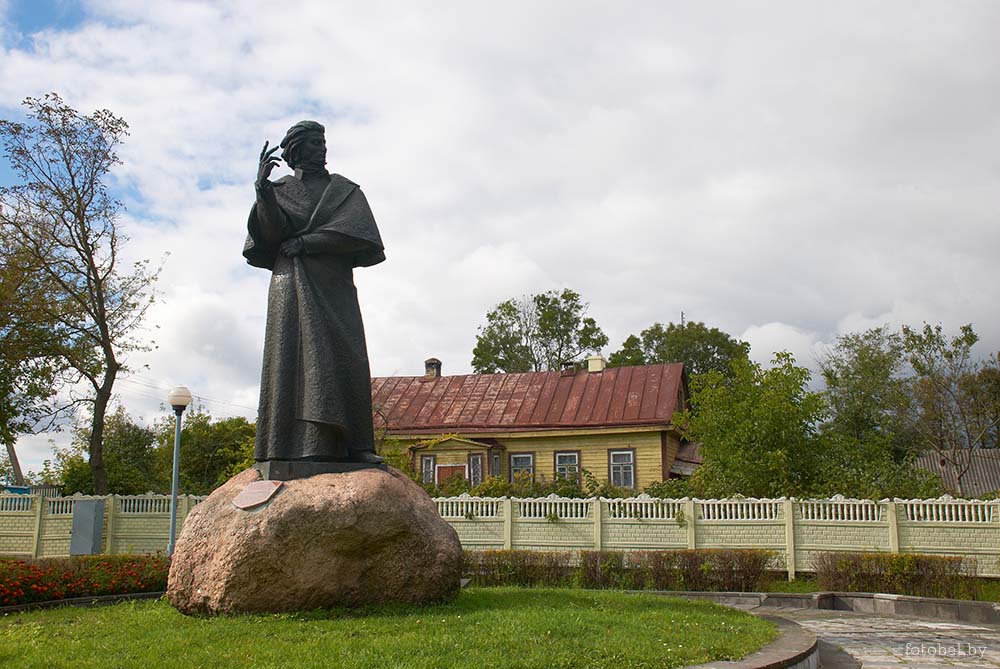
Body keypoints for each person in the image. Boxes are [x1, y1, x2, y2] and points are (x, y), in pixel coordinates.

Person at [243, 120, 384, 465]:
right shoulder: (279, 190)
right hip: (291, 284)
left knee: (345, 356)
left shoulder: (345, 191)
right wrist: (262, 190)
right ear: (295, 150)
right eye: (314, 142)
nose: (322, 147)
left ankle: (355, 445)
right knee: (293, 360)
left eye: (323, 141)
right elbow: (270, 235)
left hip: (334, 285)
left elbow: (358, 235)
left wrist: (307, 242)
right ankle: (292, 449)